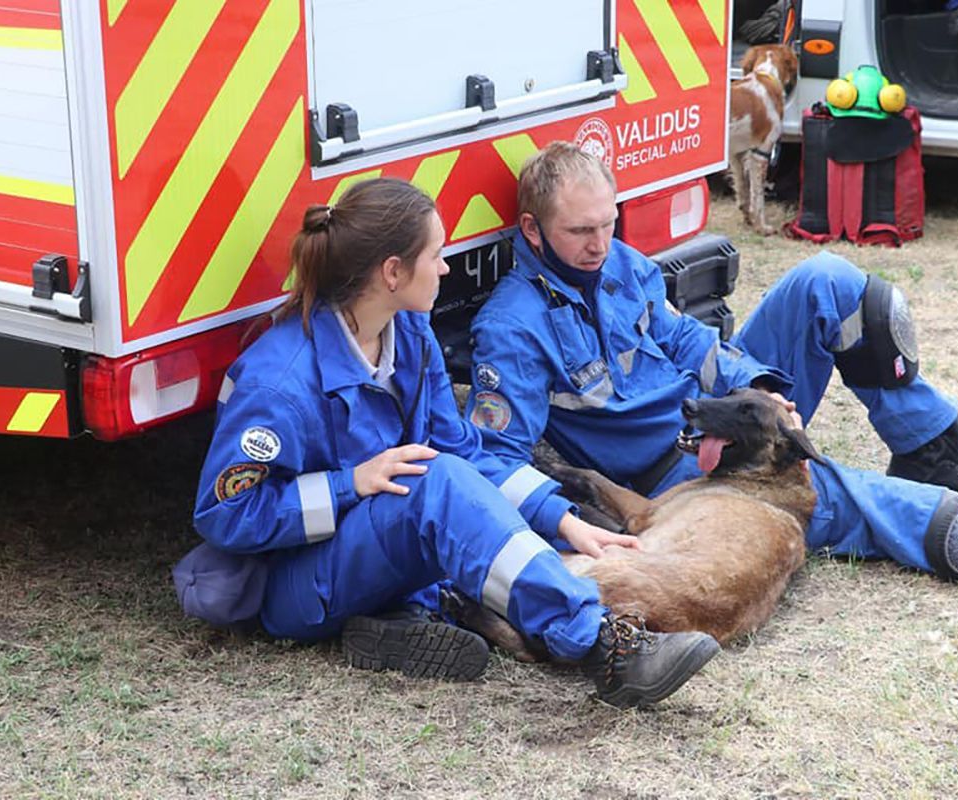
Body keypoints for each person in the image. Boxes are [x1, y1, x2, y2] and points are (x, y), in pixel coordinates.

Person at [465, 142, 958, 605]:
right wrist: (564, 519)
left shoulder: (622, 264)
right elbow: (493, 457)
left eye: (609, 223)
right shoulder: (511, 327)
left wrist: (766, 390)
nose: (601, 245)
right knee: (864, 504)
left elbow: (693, 342)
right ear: (533, 229)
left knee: (830, 280)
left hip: (731, 414)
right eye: (581, 231)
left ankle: (928, 448)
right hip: (684, 471)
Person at [187, 177, 720, 708]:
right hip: (295, 586)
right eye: (437, 255)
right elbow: (224, 514)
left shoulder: (411, 333)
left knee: (444, 480)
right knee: (434, 486)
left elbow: (460, 447)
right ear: (392, 272)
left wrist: (562, 519)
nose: (445, 267)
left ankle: (400, 615)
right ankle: (603, 646)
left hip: (370, 549)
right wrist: (348, 484)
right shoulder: (280, 383)